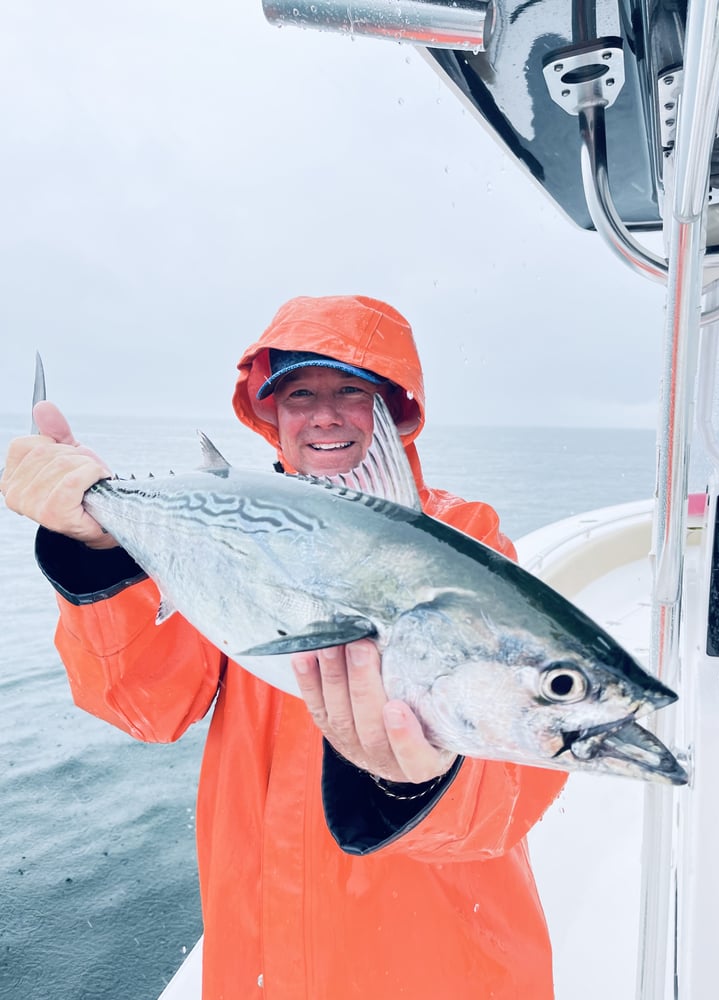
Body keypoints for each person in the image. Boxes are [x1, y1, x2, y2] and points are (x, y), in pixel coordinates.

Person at [1, 294, 566, 999]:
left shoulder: (467, 544)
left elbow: (516, 786)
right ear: (272, 418)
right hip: (261, 960)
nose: (323, 414)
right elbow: (148, 707)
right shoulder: (234, 531)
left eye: (351, 391)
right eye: (299, 393)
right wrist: (92, 553)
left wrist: (417, 779)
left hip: (440, 966)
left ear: (393, 410)